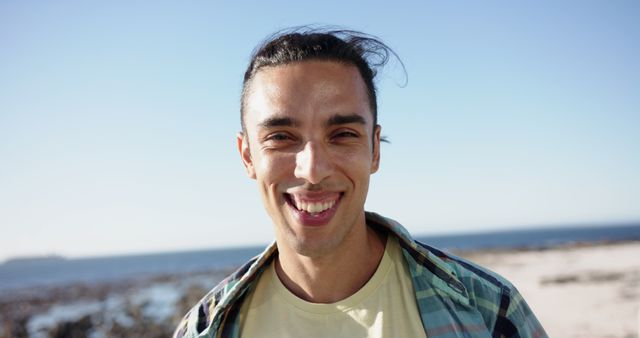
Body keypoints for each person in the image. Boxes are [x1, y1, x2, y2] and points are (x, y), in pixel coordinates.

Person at [174, 27, 547, 338]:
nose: (313, 170)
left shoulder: (488, 309)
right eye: (281, 137)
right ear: (247, 155)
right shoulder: (204, 329)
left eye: (342, 134)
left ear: (374, 150)